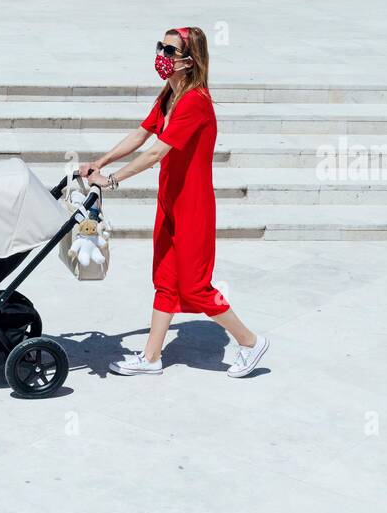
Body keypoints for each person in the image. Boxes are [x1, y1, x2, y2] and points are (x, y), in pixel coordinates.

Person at [80, 26, 269, 378]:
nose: (161, 57)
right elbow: (141, 134)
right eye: (160, 48)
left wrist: (112, 180)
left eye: (169, 52)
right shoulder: (171, 93)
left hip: (193, 206)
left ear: (188, 60)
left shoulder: (195, 102)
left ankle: (249, 342)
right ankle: (151, 357)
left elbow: (156, 152)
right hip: (169, 200)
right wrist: (101, 161)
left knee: (196, 287)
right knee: (165, 279)